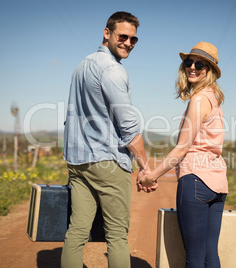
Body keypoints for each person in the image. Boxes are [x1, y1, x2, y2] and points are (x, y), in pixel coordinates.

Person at [62, 11, 157, 268]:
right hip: (107, 163)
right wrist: (145, 167)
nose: (128, 43)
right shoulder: (113, 70)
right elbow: (128, 125)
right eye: (123, 36)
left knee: (77, 231)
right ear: (107, 33)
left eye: (134, 39)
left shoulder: (82, 66)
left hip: (78, 162)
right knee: (116, 235)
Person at [138, 42, 228, 267]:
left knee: (195, 257)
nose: (193, 67)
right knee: (209, 255)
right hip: (217, 183)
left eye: (200, 64)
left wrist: (152, 175)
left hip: (196, 180)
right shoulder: (213, 99)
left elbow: (182, 148)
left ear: (210, 71)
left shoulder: (198, 100)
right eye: (189, 62)